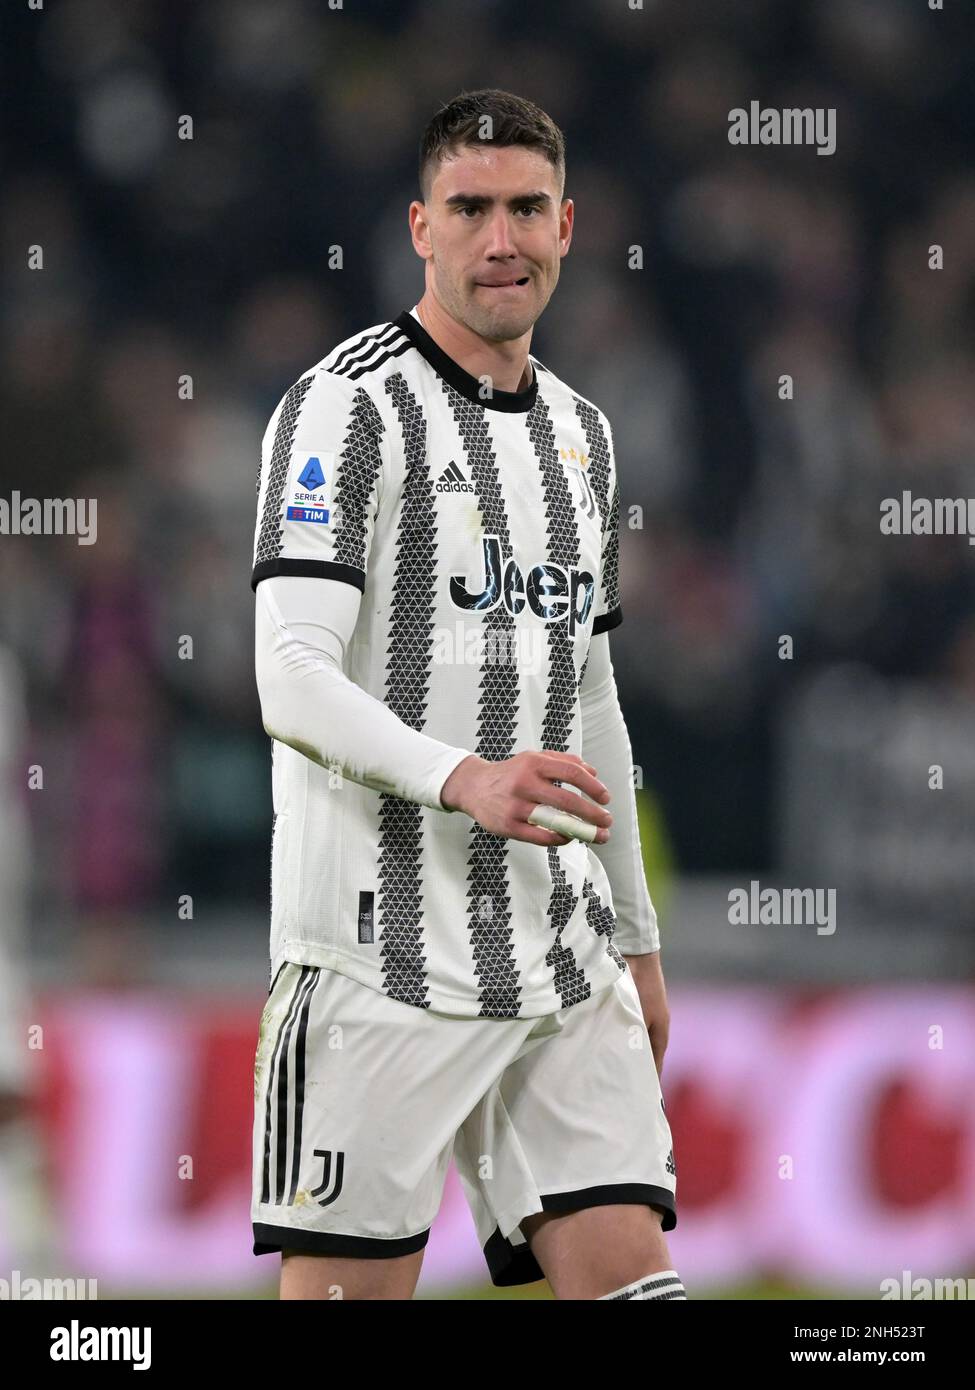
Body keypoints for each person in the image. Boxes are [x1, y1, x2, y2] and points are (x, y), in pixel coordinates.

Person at [249, 88, 683, 1301]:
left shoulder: (586, 439)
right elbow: (290, 676)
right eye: (472, 208)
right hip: (375, 967)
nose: (503, 237)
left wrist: (638, 945)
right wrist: (465, 776)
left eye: (528, 209)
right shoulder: (345, 407)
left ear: (569, 226)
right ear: (420, 229)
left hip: (557, 961)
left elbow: (589, 692)